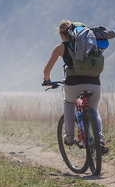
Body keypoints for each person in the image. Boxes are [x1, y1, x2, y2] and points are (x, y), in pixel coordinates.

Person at [42, 19, 108, 153]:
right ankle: (99, 139)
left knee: (69, 102)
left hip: (73, 83)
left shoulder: (61, 47)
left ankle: (70, 137)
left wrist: (47, 80)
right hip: (94, 82)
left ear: (62, 34)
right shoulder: (91, 42)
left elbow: (46, 71)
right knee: (93, 110)